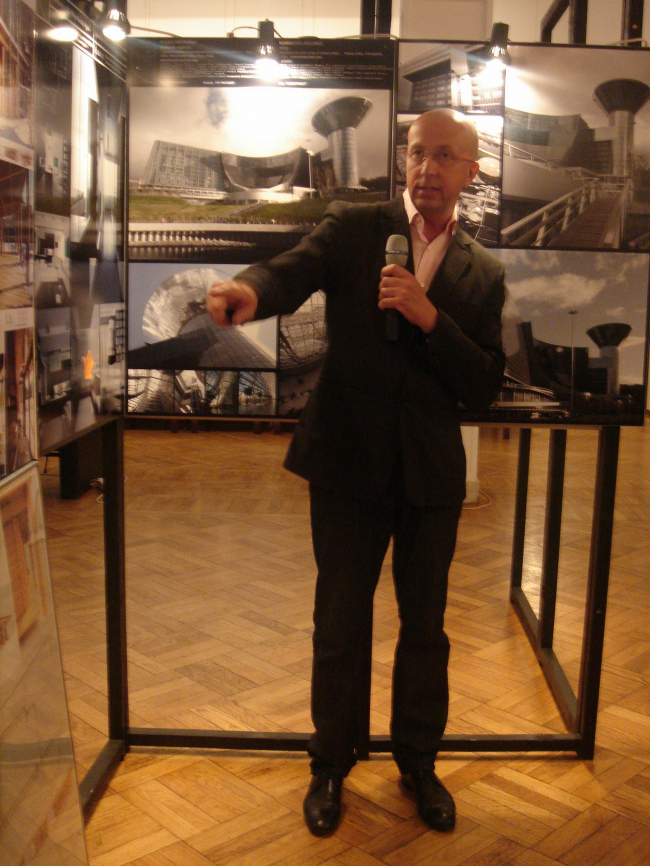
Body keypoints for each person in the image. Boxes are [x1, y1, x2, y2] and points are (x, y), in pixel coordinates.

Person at [207, 108, 506, 836]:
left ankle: (418, 765)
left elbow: (483, 384)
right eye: (417, 152)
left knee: (425, 629)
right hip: (347, 463)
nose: (427, 168)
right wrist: (250, 291)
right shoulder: (354, 228)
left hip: (430, 477)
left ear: (471, 172)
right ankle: (330, 765)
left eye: (445, 156)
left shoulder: (484, 271)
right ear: (404, 160)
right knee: (339, 623)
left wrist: (429, 318)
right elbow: (290, 270)